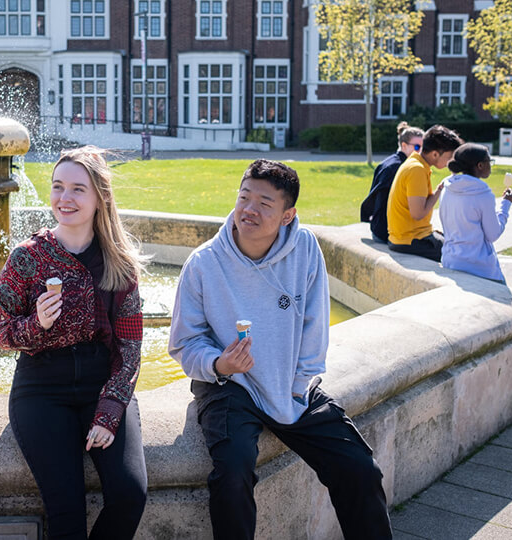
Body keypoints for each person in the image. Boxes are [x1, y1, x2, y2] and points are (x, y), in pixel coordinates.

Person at [168, 159, 392, 540]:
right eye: (244, 197)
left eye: (264, 203)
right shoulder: (204, 263)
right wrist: (219, 364)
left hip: (293, 381)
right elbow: (184, 342)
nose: (248, 210)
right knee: (232, 474)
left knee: (359, 468)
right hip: (229, 386)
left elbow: (315, 327)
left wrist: (297, 386)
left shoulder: (305, 248)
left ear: (288, 215)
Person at [0, 146, 148, 539]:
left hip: (101, 382)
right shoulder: (26, 258)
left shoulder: (120, 264)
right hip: (42, 389)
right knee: (68, 514)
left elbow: (130, 349)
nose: (65, 198)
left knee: (130, 494)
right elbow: (2, 333)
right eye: (58, 187)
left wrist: (110, 409)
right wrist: (37, 324)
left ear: (100, 198)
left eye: (78, 189)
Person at [439, 143, 512, 282]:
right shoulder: (482, 194)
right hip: (479, 268)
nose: (491, 165)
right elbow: (493, 234)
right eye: (489, 161)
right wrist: (506, 203)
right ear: (480, 165)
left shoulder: (446, 188)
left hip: (450, 261)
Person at [387, 124, 464, 262]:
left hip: (409, 237)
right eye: (450, 156)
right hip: (410, 240)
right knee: (463, 253)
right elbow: (418, 214)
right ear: (435, 154)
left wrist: (438, 190)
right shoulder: (417, 169)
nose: (452, 161)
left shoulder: (415, 162)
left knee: (457, 243)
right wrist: (438, 193)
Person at [360, 122, 424, 243]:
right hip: (388, 232)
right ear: (404, 145)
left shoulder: (388, 163)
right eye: (417, 147)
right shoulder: (402, 168)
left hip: (379, 228)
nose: (420, 151)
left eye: (423, 147)